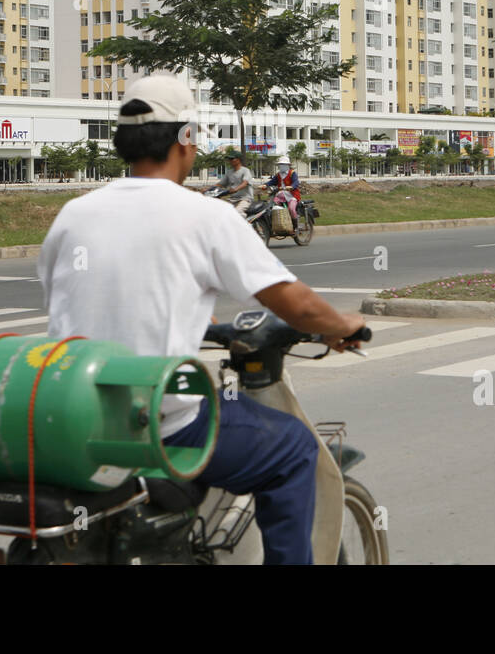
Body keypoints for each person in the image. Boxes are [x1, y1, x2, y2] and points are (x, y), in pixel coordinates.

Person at [37, 74, 366, 564]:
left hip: (68, 419)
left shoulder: (73, 215)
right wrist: (343, 326)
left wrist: (193, 318)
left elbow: (84, 301)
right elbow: (292, 302)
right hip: (161, 427)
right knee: (296, 449)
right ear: (185, 139)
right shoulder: (206, 216)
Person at [264, 155, 302, 225]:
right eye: (280, 164)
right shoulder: (278, 174)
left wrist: (291, 186)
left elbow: (296, 182)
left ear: (288, 165)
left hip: (292, 196)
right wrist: (265, 185)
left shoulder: (292, 173)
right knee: (272, 206)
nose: (281, 166)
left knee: (291, 208)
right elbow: (272, 182)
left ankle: (295, 224)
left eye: (283, 164)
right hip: (281, 195)